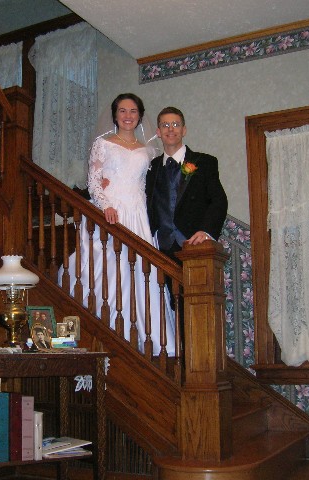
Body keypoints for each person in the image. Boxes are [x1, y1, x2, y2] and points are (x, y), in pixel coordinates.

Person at [60, 93, 175, 356]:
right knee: (111, 266)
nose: (127, 115)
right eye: (122, 111)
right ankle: (109, 327)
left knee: (140, 272)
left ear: (139, 115)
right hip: (111, 210)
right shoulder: (103, 144)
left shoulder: (148, 150)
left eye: (133, 111)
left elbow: (145, 186)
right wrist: (106, 204)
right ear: (115, 115)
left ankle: (151, 340)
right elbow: (93, 181)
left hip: (137, 213)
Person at [146, 106, 228, 263]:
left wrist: (206, 232)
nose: (170, 129)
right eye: (165, 125)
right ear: (158, 132)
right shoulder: (152, 167)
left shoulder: (204, 162)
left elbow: (219, 200)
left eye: (176, 124)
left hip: (194, 245)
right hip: (160, 249)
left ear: (184, 130)